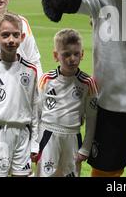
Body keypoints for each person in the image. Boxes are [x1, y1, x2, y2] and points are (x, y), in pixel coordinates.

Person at [0, 12, 39, 177]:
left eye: (15, 35)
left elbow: (35, 108)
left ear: (22, 36)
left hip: (23, 134)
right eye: (5, 35)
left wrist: (35, 143)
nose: (11, 40)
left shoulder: (30, 70)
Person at [36, 29, 98, 177]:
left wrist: (85, 148)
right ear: (56, 56)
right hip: (48, 134)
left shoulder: (87, 83)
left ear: (82, 54)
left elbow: (92, 118)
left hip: (72, 137)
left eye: (76, 54)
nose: (72, 59)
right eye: (66, 54)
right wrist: (34, 143)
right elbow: (36, 113)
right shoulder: (47, 80)